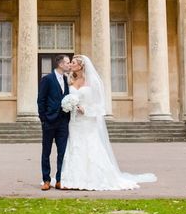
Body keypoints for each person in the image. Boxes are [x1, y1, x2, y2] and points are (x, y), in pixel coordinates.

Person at [60, 54, 156, 191]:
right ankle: (72, 177)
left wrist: (85, 109)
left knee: (90, 146)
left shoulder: (93, 82)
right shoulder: (70, 80)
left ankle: (93, 177)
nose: (71, 65)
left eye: (74, 62)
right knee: (75, 146)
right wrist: (68, 105)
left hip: (88, 120)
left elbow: (99, 104)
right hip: (74, 122)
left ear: (81, 65)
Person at [36, 54, 71, 191]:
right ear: (61, 64)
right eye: (68, 63)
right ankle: (46, 179)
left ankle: (59, 179)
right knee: (46, 152)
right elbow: (41, 100)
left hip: (63, 122)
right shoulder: (47, 79)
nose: (69, 65)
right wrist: (43, 119)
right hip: (49, 121)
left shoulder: (66, 79)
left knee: (62, 152)